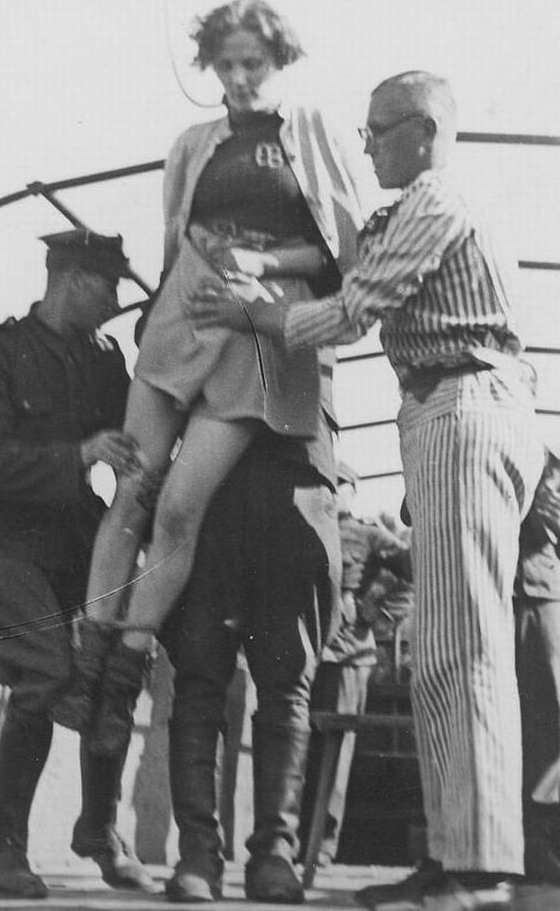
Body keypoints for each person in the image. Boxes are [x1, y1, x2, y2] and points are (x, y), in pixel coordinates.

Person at [189, 71, 545, 911]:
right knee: (448, 643)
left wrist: (257, 313)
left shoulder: (434, 198)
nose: (366, 145)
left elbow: (351, 310)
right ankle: (456, 854)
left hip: (464, 399)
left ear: (423, 131)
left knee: (462, 645)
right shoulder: (416, 207)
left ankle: (476, 871)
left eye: (377, 131)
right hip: (445, 405)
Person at [77, 0, 366, 761]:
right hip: (182, 316)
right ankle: (88, 663)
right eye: (226, 65)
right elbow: (174, 242)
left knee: (178, 509)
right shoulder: (192, 144)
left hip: (252, 330)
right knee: (132, 491)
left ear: (280, 62)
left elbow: (341, 255)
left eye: (253, 64)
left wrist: (263, 259)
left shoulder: (311, 133)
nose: (239, 79)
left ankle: (124, 672)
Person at [0, 229, 155, 899]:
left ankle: (99, 830)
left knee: (113, 668)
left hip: (75, 543)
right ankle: (2, 851)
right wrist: (79, 455)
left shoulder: (105, 360)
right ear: (70, 278)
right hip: (1, 544)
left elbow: (139, 437)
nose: (115, 301)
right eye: (108, 286)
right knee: (47, 670)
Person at [159, 354, 344, 905]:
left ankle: (275, 852)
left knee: (288, 679)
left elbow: (336, 314)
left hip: (298, 471)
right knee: (198, 673)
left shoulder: (315, 291)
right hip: (209, 478)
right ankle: (197, 852)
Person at [298, 462, 412, 868]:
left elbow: (412, 570)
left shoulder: (367, 534)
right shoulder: (301, 526)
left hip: (346, 656)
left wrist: (371, 611)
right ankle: (283, 841)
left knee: (335, 751)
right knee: (292, 746)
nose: (331, 490)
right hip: (300, 653)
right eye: (326, 482)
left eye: (340, 484)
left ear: (352, 491)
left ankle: (320, 846)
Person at [515, 447, 560, 884]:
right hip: (479, 592)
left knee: (545, 718)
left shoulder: (546, 459)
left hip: (536, 594)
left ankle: (541, 843)